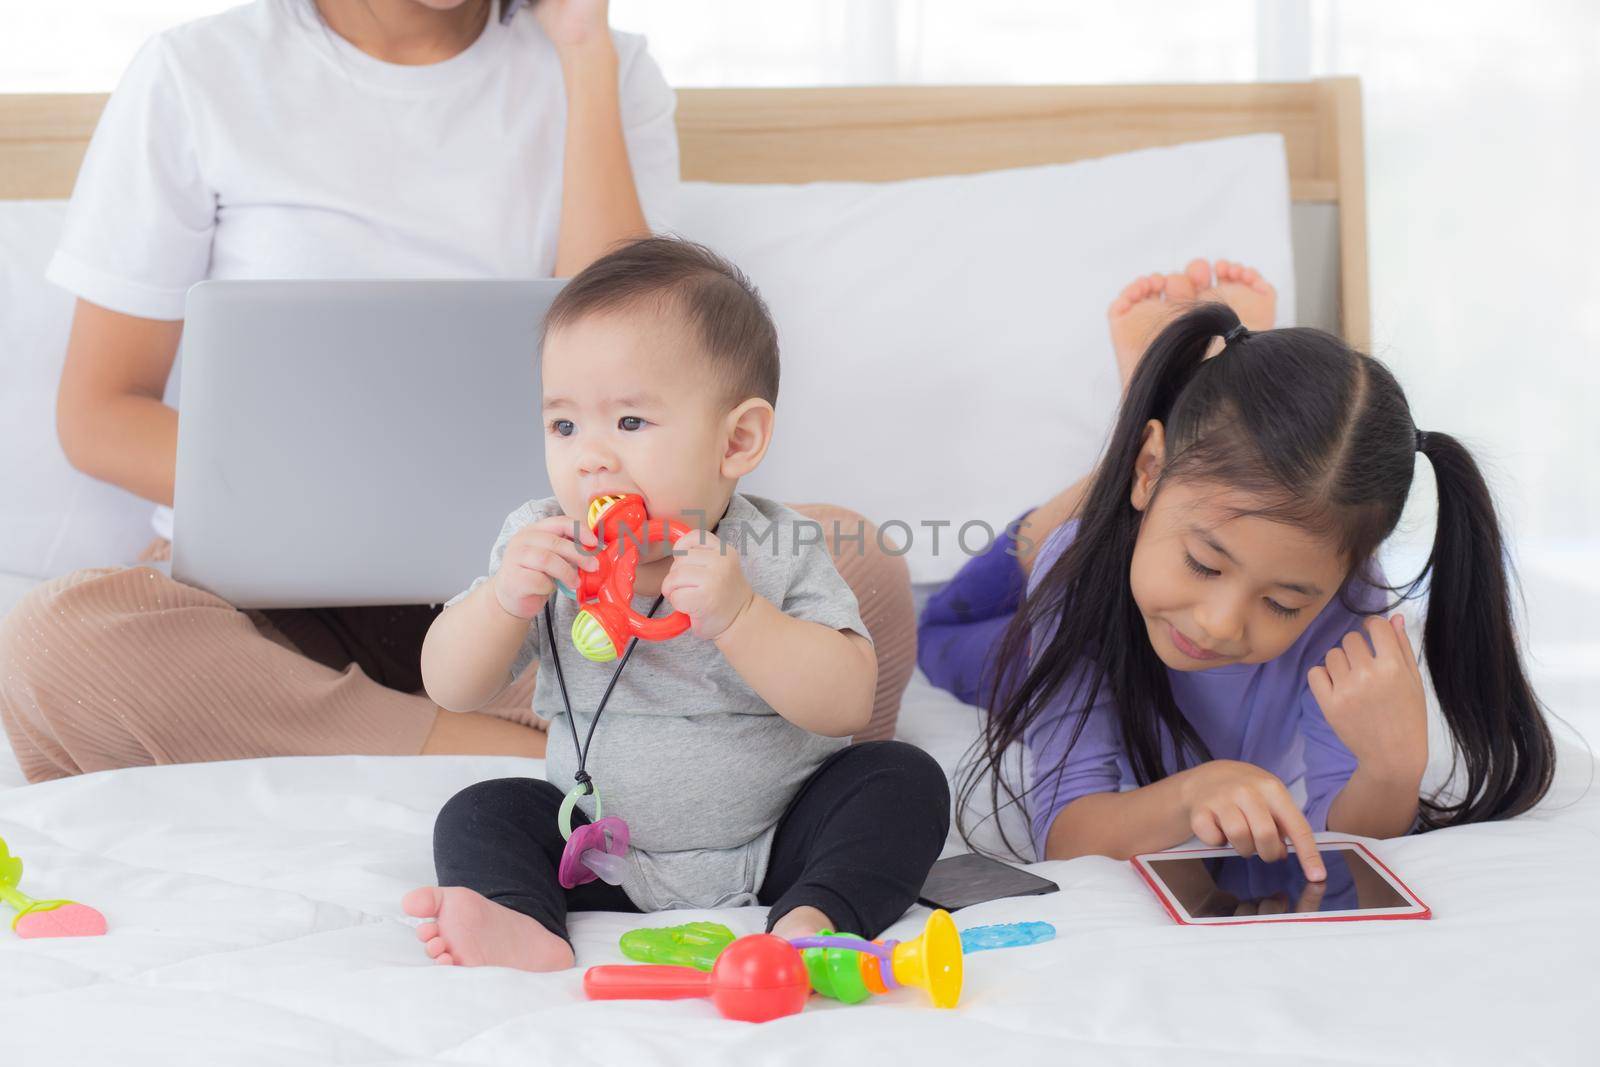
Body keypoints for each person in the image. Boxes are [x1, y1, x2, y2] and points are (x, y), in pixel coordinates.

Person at [0, 0, 915, 783]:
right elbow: (100, 413)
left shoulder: (602, 66)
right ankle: (507, 752)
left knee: (855, 567)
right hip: (273, 603)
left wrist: (584, 56)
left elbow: (626, 355)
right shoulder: (197, 73)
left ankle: (396, 736)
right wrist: (342, 503)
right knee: (55, 645)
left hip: (545, 578)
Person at [401, 238, 949, 970]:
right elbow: (450, 685)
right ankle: (524, 922)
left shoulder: (778, 546)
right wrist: (505, 600)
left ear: (738, 440)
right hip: (600, 852)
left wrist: (744, 618)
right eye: (565, 425)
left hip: (777, 839)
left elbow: (849, 699)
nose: (590, 455)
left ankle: (815, 918)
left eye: (629, 422)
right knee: (481, 811)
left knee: (902, 780)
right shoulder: (543, 543)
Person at [928, 282, 1554, 873]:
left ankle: (1142, 454)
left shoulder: (1349, 605)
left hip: (1149, 535)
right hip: (1089, 606)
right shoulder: (1073, 586)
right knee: (942, 632)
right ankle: (1115, 462)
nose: (1220, 623)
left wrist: (1391, 771)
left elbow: (1343, 842)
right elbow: (1066, 834)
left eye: (1282, 603)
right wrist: (1194, 791)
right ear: (1152, 468)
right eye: (1204, 563)